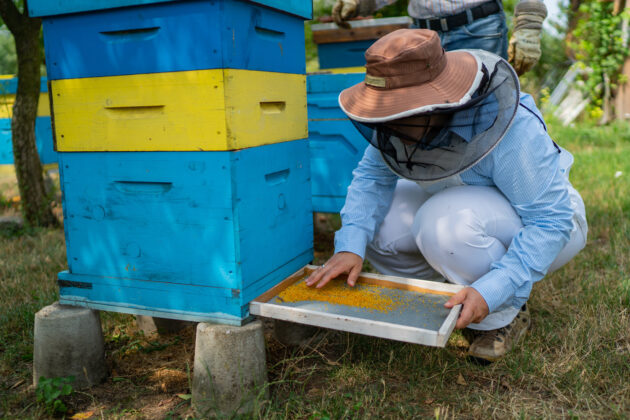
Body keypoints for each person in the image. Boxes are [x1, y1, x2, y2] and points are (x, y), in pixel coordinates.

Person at [305, 29, 587, 362]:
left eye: (399, 112)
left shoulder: (511, 128)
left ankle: (501, 315)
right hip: (466, 210)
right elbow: (370, 178)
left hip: (553, 224)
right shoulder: (396, 124)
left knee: (440, 222)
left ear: (435, 103)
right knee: (381, 227)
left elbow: (551, 221)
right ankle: (453, 292)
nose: (387, 125)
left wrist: (495, 287)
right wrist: (350, 245)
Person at [331, 0, 548, 75]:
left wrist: (529, 22)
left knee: (485, 112)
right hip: (422, 35)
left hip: (478, 29)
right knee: (426, 116)